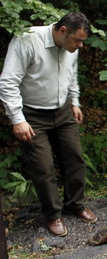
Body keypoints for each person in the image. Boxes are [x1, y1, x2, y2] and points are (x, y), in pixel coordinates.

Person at [0, 12, 96, 237]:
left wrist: (74, 102)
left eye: (83, 41)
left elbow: (71, 75)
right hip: (32, 115)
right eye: (77, 41)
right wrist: (18, 119)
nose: (81, 46)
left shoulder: (70, 47)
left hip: (63, 111)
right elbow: (8, 81)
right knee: (43, 167)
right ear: (62, 31)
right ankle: (53, 215)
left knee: (74, 158)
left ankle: (75, 204)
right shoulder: (27, 40)